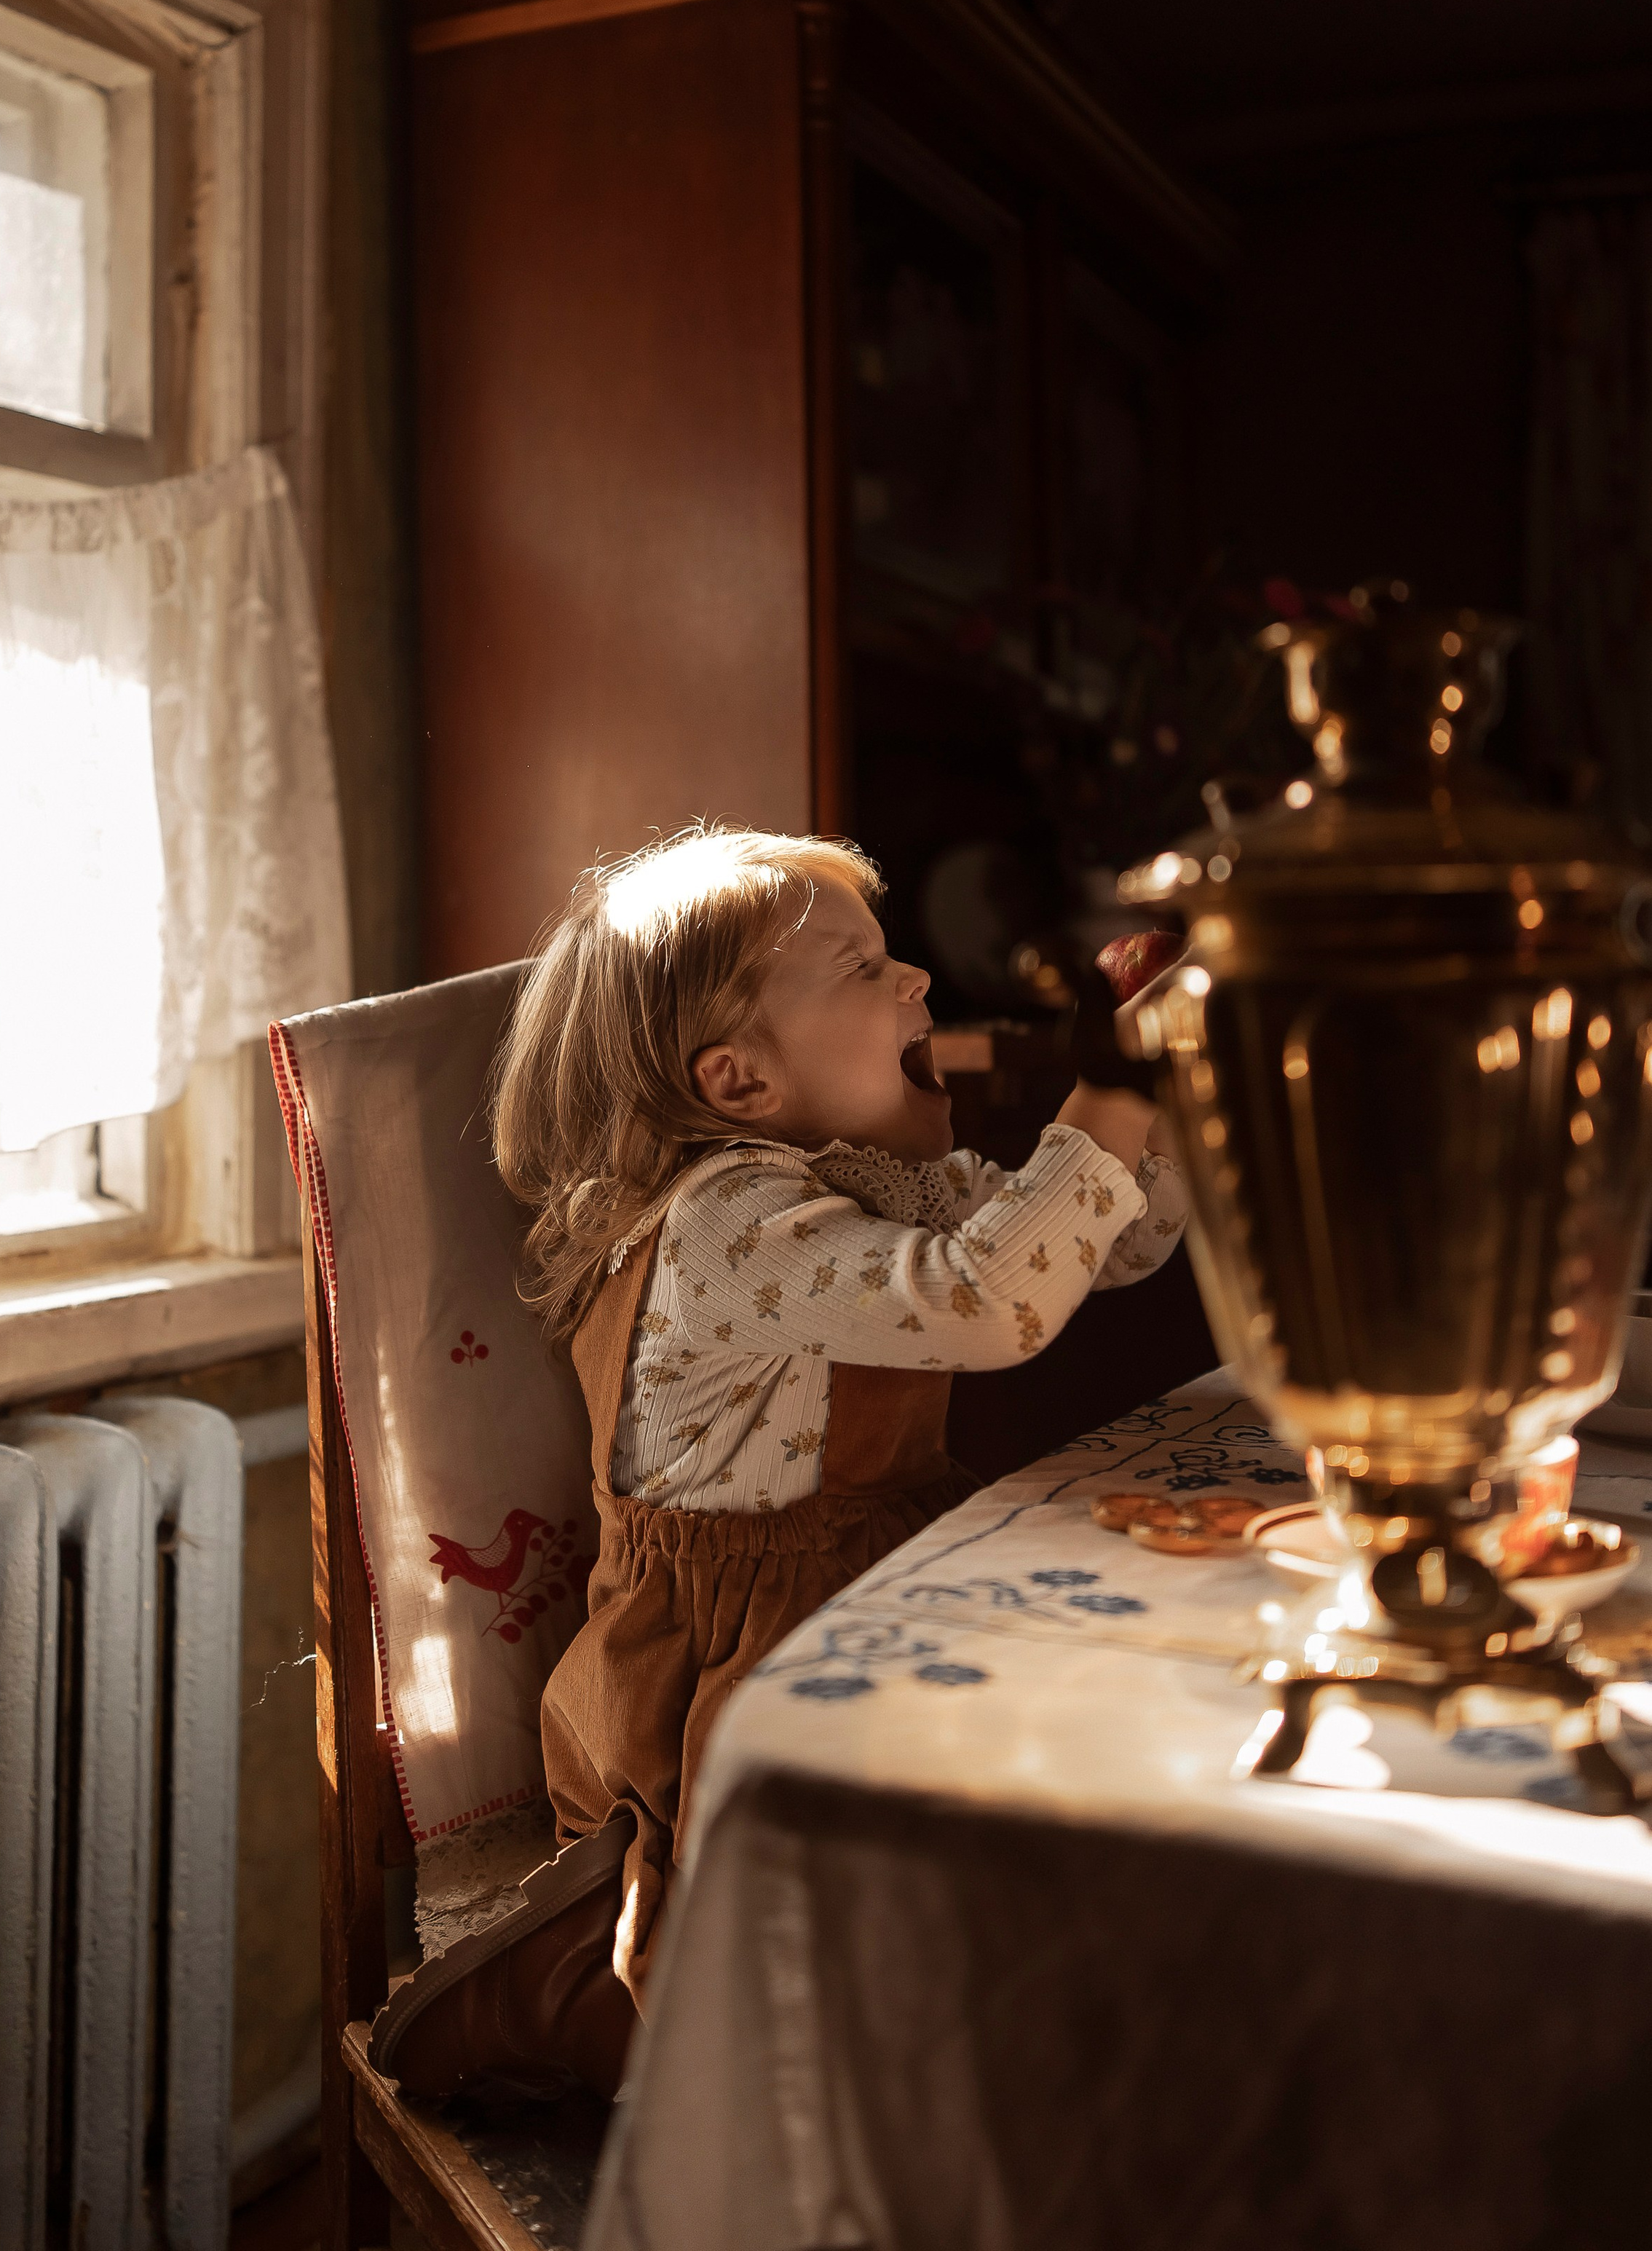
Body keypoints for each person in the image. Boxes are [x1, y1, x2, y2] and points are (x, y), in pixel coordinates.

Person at [374, 822, 1186, 2102]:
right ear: (739, 1083)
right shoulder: (726, 1224)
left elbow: (1095, 1247)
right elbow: (991, 1301)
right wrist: (1110, 1091)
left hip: (860, 1615)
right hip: (741, 1685)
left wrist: (1170, 1089)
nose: (917, 978)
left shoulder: (843, 1179)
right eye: (865, 971)